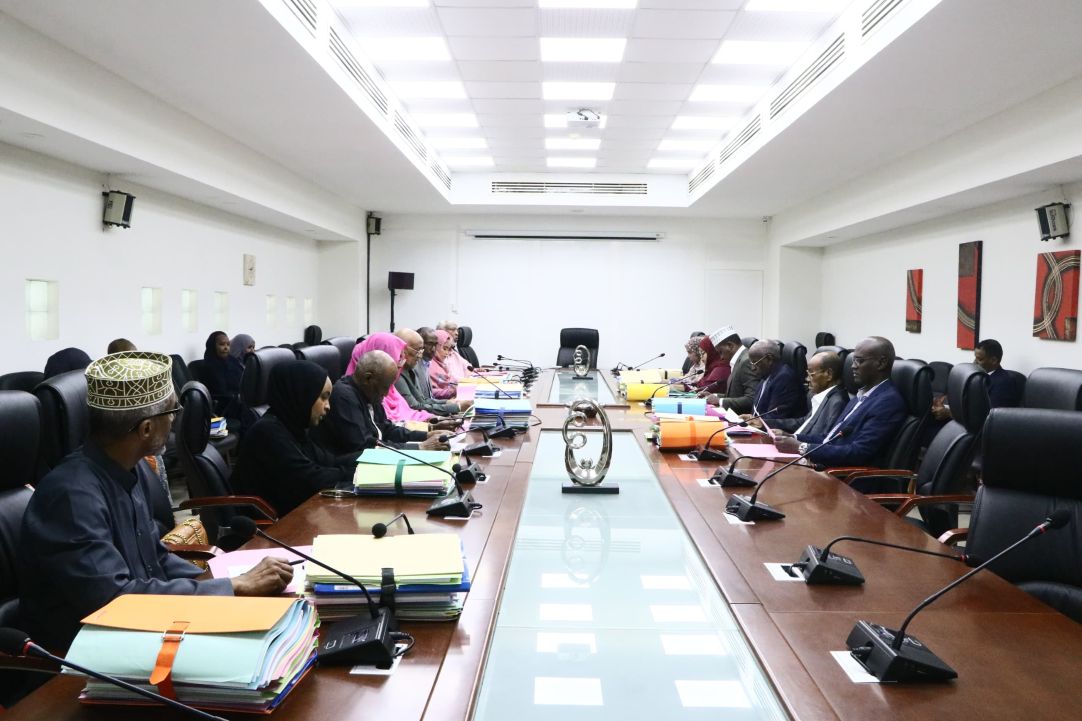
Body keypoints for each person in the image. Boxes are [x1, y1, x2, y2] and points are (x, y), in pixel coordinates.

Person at [19, 351, 292, 651]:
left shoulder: (128, 468)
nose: (175, 418)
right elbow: (116, 601)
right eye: (171, 411)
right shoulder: (70, 498)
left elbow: (157, 560)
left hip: (144, 628)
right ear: (146, 428)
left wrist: (230, 581)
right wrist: (232, 587)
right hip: (88, 655)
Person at [231, 360, 363, 516]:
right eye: (323, 397)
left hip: (294, 516)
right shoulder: (268, 432)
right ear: (303, 394)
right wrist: (359, 474)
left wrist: (372, 460)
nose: (328, 406)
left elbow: (330, 461)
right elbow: (311, 480)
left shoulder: (292, 427)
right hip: (270, 529)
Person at [776, 336, 906, 476]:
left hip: (848, 480)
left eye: (859, 361)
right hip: (826, 469)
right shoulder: (861, 396)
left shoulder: (888, 402)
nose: (853, 366)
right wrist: (794, 438)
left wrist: (803, 447)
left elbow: (859, 452)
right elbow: (831, 438)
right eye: (853, 360)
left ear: (881, 363)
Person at [313, 350, 449, 455]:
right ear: (368, 379)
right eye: (385, 387)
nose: (387, 393)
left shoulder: (370, 391)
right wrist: (420, 447)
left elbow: (388, 430)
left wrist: (427, 435)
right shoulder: (344, 397)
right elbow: (365, 447)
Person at [346, 334, 436, 423]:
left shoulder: (388, 388)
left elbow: (408, 414)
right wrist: (427, 428)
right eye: (398, 358)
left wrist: (433, 421)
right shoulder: (358, 394)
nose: (400, 364)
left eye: (402, 358)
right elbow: (387, 427)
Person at [931, 339, 1019, 424]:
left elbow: (989, 417)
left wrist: (950, 413)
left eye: (979, 359)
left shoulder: (1003, 382)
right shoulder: (976, 376)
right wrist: (943, 406)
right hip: (961, 423)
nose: (974, 362)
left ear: (993, 361)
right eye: (975, 358)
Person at [394, 328, 471, 416]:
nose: (420, 355)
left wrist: (447, 402)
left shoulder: (408, 369)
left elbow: (422, 400)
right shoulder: (398, 373)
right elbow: (415, 406)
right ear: (402, 349)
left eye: (421, 350)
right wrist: (456, 407)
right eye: (417, 350)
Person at [769, 351, 849, 435]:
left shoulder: (837, 402)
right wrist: (764, 423)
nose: (807, 379)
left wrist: (792, 438)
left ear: (829, 374)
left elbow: (825, 440)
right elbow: (805, 423)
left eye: (811, 374)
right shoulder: (825, 396)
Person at [741, 340, 804, 422]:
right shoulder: (767, 375)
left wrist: (755, 422)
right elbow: (760, 411)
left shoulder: (784, 379)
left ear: (769, 359)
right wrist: (752, 418)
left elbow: (774, 418)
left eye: (755, 363)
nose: (752, 368)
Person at [701, 327, 759, 413]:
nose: (721, 357)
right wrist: (714, 396)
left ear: (730, 346)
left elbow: (751, 399)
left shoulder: (746, 361)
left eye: (721, 352)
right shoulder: (738, 359)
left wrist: (719, 401)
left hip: (742, 419)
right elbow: (735, 395)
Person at [197, 331, 243, 419]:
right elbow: (220, 391)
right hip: (224, 406)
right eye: (222, 344)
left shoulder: (232, 361)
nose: (226, 348)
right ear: (213, 346)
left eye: (228, 344)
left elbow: (243, 378)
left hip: (239, 401)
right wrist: (237, 395)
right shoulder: (209, 366)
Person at [429, 330, 460, 399]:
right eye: (444, 349)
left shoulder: (442, 365)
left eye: (448, 349)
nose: (447, 353)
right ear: (436, 347)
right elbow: (428, 392)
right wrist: (452, 392)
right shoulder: (429, 366)